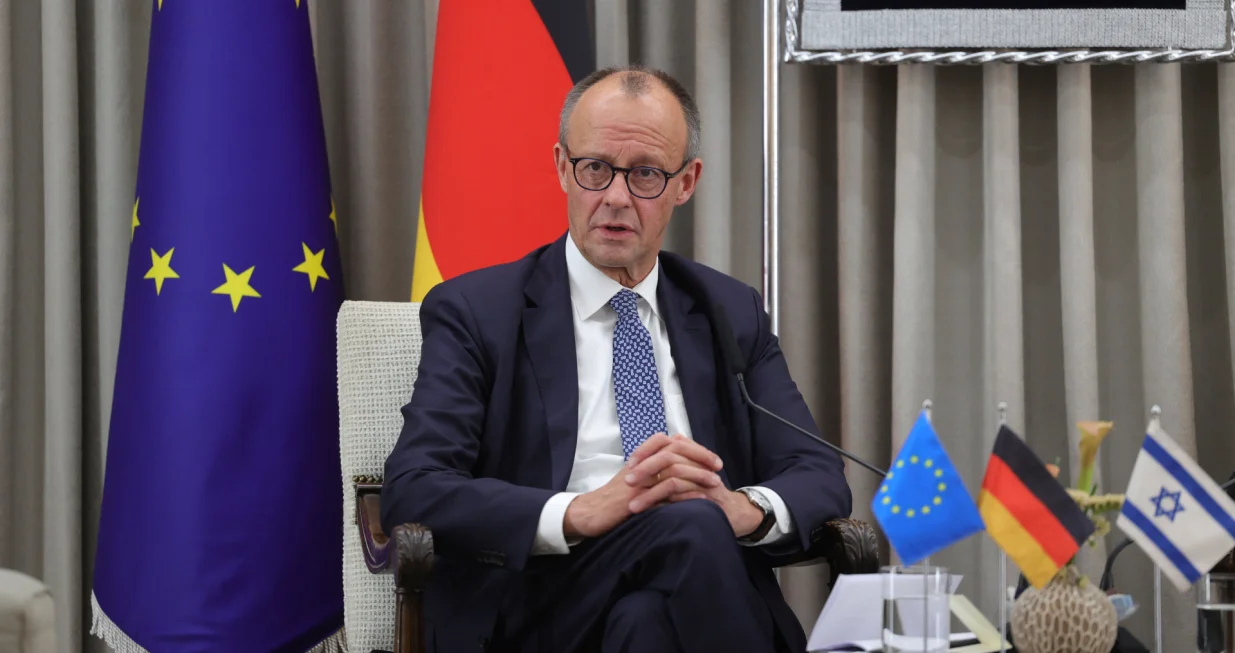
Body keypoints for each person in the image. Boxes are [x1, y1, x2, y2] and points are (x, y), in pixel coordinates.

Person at [381, 64, 852, 653]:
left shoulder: (728, 310)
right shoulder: (478, 311)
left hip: (686, 589)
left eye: (647, 174)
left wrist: (742, 509)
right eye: (596, 169)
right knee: (690, 528)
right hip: (539, 600)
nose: (616, 198)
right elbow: (416, 488)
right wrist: (579, 511)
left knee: (647, 619)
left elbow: (817, 475)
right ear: (561, 167)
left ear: (686, 183)